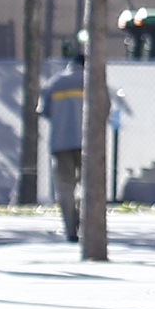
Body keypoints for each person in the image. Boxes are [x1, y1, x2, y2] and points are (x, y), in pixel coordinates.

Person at [42, 45, 89, 242]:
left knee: (65, 187)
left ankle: (70, 229)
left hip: (60, 143)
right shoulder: (91, 82)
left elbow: (43, 110)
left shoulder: (54, 83)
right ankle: (86, 223)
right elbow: (107, 108)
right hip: (88, 143)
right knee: (89, 185)